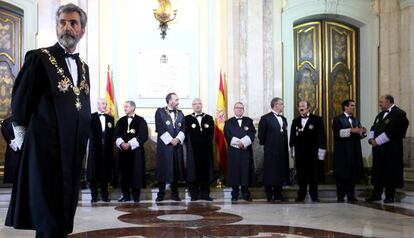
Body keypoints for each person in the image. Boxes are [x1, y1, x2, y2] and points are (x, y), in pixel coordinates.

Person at [5, 3, 90, 237]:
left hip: (72, 151)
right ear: (56, 27)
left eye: (73, 23)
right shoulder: (39, 58)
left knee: (65, 211)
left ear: (82, 30)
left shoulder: (84, 67)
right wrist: (22, 141)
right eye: (62, 22)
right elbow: (21, 101)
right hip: (45, 151)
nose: (67, 28)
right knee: (47, 213)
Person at [366, 95, 409, 203]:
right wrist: (371, 139)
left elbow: (393, 131)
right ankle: (376, 195)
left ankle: (390, 196)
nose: (379, 104)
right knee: (378, 172)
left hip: (391, 150)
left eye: (381, 102)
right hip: (379, 150)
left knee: (390, 172)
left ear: (389, 101)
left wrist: (377, 141)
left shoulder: (399, 114)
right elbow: (373, 127)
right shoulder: (380, 114)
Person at [289, 101, 326, 202]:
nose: (301, 108)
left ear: (308, 108)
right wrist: (293, 152)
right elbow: (292, 138)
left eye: (303, 106)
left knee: (313, 175)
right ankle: (301, 195)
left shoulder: (317, 119)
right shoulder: (295, 121)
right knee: (301, 175)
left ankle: (314, 195)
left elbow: (322, 137)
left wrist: (321, 152)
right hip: (300, 153)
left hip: (313, 153)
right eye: (299, 106)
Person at [332, 99, 366, 202]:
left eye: (354, 106)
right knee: (342, 174)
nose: (354, 107)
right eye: (352, 105)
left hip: (354, 150)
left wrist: (362, 132)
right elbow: (337, 134)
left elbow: (359, 135)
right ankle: (340, 196)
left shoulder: (356, 120)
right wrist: (351, 130)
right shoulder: (338, 119)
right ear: (345, 107)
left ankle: (351, 195)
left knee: (352, 174)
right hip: (343, 151)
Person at [115, 101, 148, 202]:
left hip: (136, 152)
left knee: (136, 173)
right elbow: (116, 135)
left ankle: (136, 196)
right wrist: (121, 143)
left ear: (133, 107)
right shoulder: (120, 121)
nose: (125, 108)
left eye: (127, 106)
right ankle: (126, 195)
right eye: (124, 106)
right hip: (123, 152)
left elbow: (143, 136)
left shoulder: (141, 120)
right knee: (124, 173)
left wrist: (129, 144)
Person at [155, 92, 186, 202]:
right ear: (170, 101)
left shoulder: (181, 113)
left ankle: (175, 193)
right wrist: (170, 140)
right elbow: (159, 128)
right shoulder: (160, 111)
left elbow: (183, 128)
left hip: (176, 146)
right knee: (163, 169)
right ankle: (161, 193)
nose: (178, 102)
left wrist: (177, 139)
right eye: (176, 100)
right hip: (164, 146)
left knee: (176, 169)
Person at [258, 97, 290, 202]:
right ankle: (269, 193)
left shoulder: (284, 119)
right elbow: (261, 136)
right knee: (271, 172)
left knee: (280, 171)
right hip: (271, 150)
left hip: (282, 150)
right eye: (281, 104)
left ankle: (278, 193)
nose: (283, 106)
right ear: (275, 105)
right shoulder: (265, 118)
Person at [224, 102, 256, 201]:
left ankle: (246, 194)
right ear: (234, 109)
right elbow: (227, 135)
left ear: (243, 110)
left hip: (245, 151)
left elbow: (252, 133)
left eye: (241, 108)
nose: (239, 109)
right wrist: (238, 143)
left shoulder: (249, 121)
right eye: (237, 108)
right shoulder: (228, 122)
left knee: (246, 172)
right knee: (234, 172)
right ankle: (234, 194)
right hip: (234, 152)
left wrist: (244, 142)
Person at [185, 98, 214, 201]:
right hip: (193, 151)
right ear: (192, 106)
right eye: (195, 104)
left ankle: (205, 194)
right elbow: (185, 134)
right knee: (193, 172)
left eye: (199, 104)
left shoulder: (209, 118)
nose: (197, 106)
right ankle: (194, 194)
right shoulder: (187, 118)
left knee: (205, 172)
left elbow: (211, 134)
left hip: (206, 150)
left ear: (202, 105)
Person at [87, 98, 115, 203]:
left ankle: (105, 195)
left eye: (105, 104)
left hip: (106, 150)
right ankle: (94, 196)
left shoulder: (110, 118)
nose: (104, 105)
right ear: (98, 105)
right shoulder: (91, 116)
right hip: (95, 149)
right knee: (93, 173)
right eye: (102, 103)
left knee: (105, 173)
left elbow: (111, 134)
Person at [1, 116, 20, 184]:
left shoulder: (6, 122)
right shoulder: (26, 120)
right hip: (16, 148)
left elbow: (5, 133)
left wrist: (10, 142)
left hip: (12, 148)